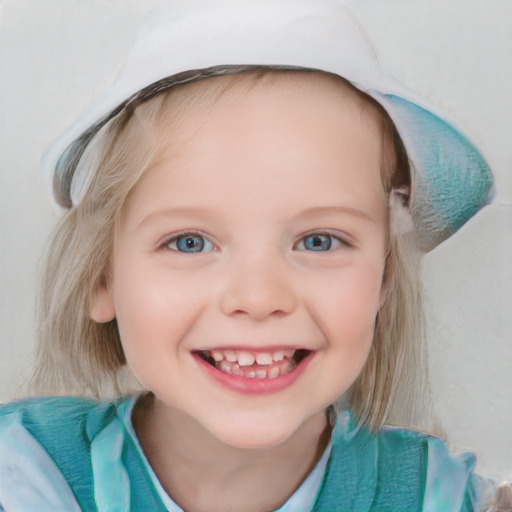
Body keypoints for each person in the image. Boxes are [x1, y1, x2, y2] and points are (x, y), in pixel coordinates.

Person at [0, 1, 508, 510]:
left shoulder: (434, 496)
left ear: (384, 277)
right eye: (189, 242)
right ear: (101, 276)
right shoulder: (26, 475)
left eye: (319, 241)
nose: (260, 297)